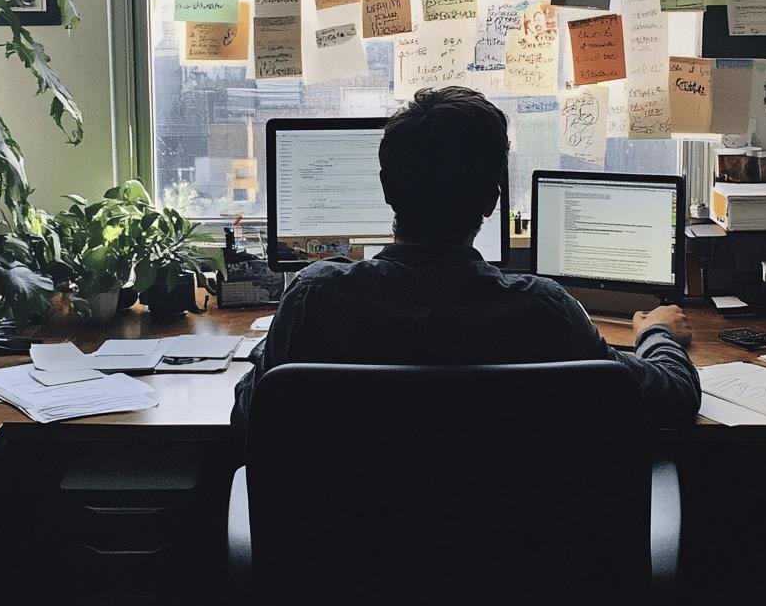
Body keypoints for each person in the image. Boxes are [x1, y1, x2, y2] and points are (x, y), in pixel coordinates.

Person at [232, 86, 700, 428]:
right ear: (493, 199)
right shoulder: (541, 309)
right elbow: (674, 398)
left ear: (386, 189)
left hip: (348, 555)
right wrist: (657, 333)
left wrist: (278, 337)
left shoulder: (316, 298)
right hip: (511, 555)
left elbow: (248, 414)